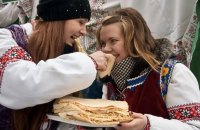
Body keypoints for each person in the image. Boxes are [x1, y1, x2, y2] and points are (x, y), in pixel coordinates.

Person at [0, 0, 109, 130]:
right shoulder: (7, 39)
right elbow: (22, 86)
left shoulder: (67, 48)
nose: (84, 31)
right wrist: (90, 62)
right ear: (58, 17)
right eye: (80, 22)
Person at [96, 8, 200, 130]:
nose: (105, 49)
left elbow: (193, 128)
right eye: (103, 43)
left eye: (113, 41)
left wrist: (147, 124)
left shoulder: (172, 73)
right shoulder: (110, 81)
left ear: (134, 40)